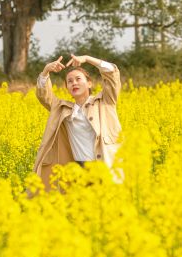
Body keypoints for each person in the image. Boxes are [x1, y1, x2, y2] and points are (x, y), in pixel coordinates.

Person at [33, 54, 122, 189]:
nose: (74, 83)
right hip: (78, 170)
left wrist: (87, 58)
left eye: (78, 79)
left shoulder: (105, 101)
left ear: (89, 83)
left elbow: (112, 73)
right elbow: (43, 96)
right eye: (69, 81)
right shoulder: (63, 110)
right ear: (67, 88)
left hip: (105, 166)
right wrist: (45, 71)